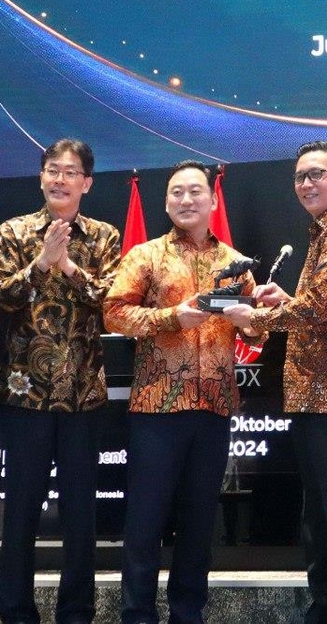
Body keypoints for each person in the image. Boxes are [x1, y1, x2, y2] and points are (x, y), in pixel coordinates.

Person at [223, 141, 327, 624]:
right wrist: (284, 301)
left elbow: (318, 310)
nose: (307, 184)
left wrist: (257, 318)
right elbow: (322, 308)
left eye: (317, 174)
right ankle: (326, 606)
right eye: (300, 177)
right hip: (314, 392)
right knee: (319, 513)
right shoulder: (323, 232)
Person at [104, 160, 265, 624]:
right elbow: (113, 312)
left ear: (212, 200)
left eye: (195, 191)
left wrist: (252, 323)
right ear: (166, 202)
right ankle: (137, 615)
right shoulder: (146, 256)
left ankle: (188, 614)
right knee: (145, 521)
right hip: (157, 407)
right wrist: (171, 317)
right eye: (177, 192)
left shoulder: (235, 263)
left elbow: (257, 333)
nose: (186, 199)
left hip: (214, 406)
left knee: (199, 522)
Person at [0, 139, 121, 624]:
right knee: (20, 511)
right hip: (25, 395)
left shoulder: (104, 236)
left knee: (80, 514)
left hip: (83, 395)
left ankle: (76, 613)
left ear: (87, 183)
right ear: (41, 177)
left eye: (70, 172)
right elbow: (1, 298)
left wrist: (66, 264)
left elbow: (110, 302)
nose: (59, 179)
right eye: (52, 170)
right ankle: (15, 613)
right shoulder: (14, 231)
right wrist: (41, 262)